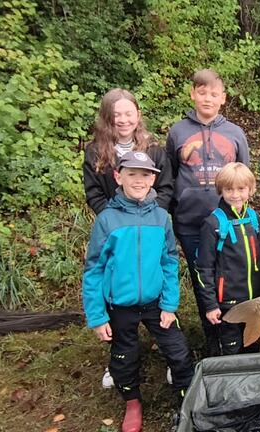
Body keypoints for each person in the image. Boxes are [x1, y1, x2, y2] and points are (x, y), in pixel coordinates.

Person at [82, 151, 194, 432]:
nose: (139, 180)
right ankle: (132, 401)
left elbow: (169, 261)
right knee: (124, 358)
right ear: (119, 177)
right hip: (120, 306)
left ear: (153, 179)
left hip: (156, 302)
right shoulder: (107, 220)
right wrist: (97, 316)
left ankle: (186, 398)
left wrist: (169, 305)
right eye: (132, 174)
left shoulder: (161, 218)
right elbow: (94, 269)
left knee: (179, 352)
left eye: (145, 175)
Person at [165, 69, 251, 352]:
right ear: (192, 94)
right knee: (204, 277)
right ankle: (212, 337)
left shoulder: (235, 133)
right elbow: (170, 175)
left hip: (228, 221)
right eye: (202, 92)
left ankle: (237, 329)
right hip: (190, 223)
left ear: (223, 98)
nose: (207, 99)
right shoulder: (178, 132)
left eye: (214, 94)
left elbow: (244, 175)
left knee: (229, 275)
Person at [195, 162, 260, 355]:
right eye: (229, 189)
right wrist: (211, 305)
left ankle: (252, 383)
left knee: (252, 344)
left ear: (250, 190)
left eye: (241, 189)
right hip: (226, 304)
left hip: (254, 301)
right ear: (221, 190)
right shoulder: (213, 223)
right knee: (231, 350)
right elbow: (203, 268)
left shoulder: (254, 219)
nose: (235, 194)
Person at [83, 88, 173, 215]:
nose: (123, 120)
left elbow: (165, 189)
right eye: (116, 115)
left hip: (149, 222)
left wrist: (152, 216)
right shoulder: (94, 151)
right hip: (113, 225)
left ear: (138, 115)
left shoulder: (154, 149)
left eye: (128, 114)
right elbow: (94, 194)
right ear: (106, 117)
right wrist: (114, 219)